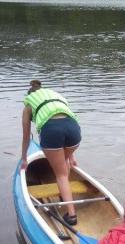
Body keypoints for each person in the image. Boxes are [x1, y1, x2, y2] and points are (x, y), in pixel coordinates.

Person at [21, 80, 81, 225]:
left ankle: (71, 215)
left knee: (60, 175)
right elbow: (66, 119)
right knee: (63, 166)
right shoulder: (55, 95)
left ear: (30, 94)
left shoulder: (29, 105)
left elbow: (26, 136)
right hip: (74, 130)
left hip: (52, 131)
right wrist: (71, 155)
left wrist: (24, 159)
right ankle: (65, 195)